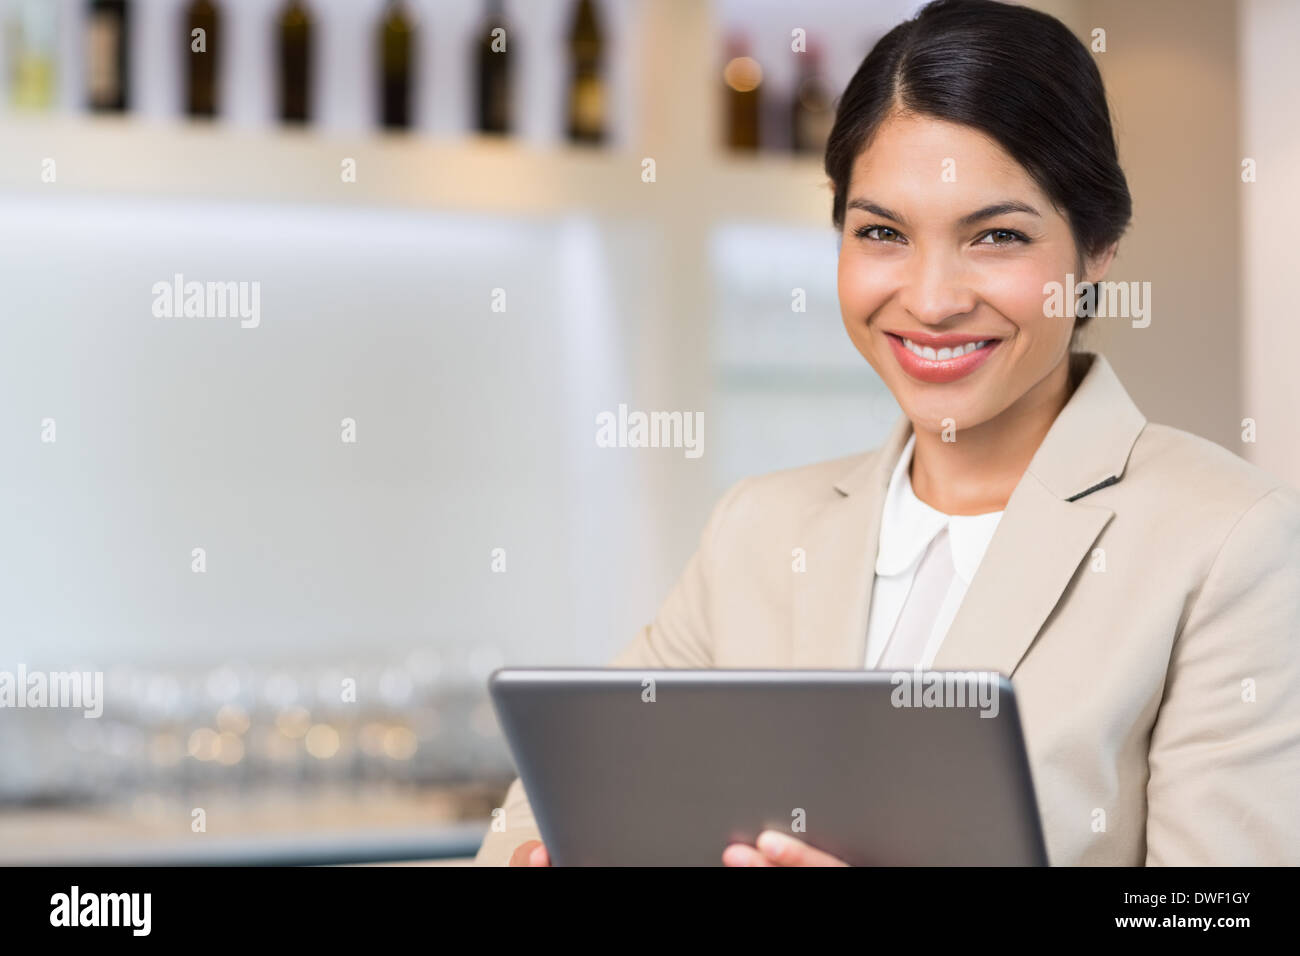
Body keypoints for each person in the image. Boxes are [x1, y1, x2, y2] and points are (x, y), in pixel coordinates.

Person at [475, 0, 1300, 866]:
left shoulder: (1226, 545)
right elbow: (537, 813)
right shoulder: (760, 529)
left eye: (997, 236)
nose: (933, 298)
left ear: (1098, 250)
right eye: (882, 233)